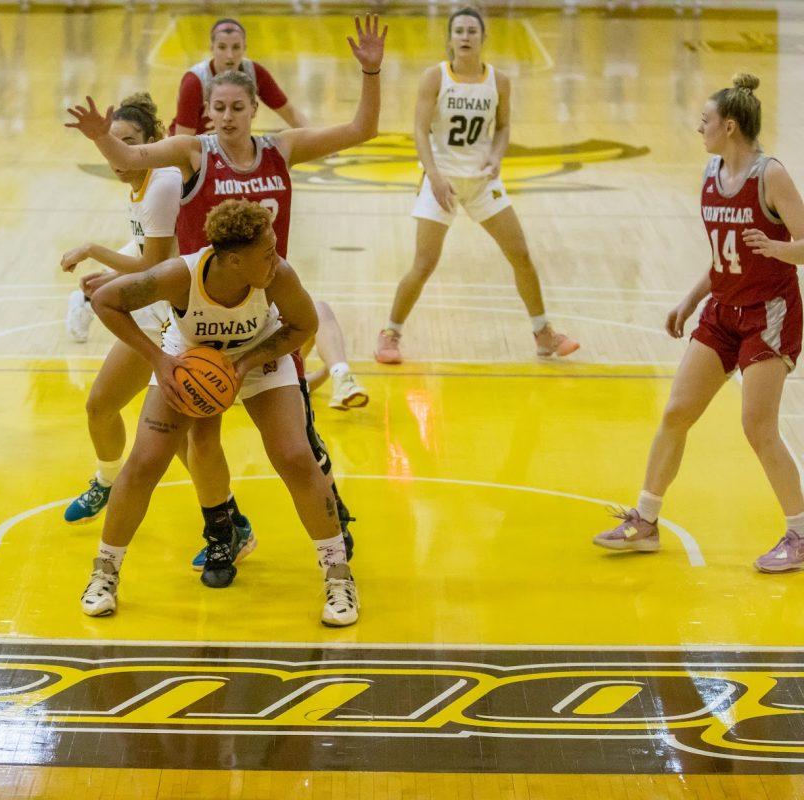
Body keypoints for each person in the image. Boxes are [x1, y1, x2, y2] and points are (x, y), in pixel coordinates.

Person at [67, 14, 385, 571]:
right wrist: (101, 136)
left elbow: (362, 129)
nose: (228, 117)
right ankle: (224, 530)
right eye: (219, 108)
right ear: (207, 110)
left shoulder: (281, 149)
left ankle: (332, 511)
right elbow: (133, 158)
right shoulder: (193, 151)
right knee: (201, 439)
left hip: (264, 308)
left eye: (239, 108)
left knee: (297, 443)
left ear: (254, 109)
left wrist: (371, 73)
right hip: (196, 312)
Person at [80, 200, 360, 627]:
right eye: (266, 251)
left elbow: (304, 326)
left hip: (258, 355)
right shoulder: (180, 275)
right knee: (146, 460)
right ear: (232, 260)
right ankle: (104, 573)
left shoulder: (277, 275)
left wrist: (246, 363)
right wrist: (157, 359)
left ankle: (338, 576)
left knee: (295, 457)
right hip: (189, 357)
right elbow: (104, 300)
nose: (276, 255)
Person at [593, 73, 804, 573]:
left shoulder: (769, 176)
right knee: (677, 411)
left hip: (768, 313)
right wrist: (689, 300)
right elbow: (722, 256)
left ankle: (799, 532)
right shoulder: (711, 172)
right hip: (721, 310)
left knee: (758, 426)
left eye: (705, 121)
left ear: (729, 126)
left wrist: (780, 249)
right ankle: (645, 522)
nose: (698, 127)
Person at [58, 93, 258, 568]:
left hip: (179, 314)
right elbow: (151, 247)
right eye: (112, 143)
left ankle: (232, 524)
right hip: (156, 300)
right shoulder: (144, 182)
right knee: (100, 406)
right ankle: (106, 479)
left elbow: (153, 262)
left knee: (183, 440)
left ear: (149, 144)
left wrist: (95, 252)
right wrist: (113, 278)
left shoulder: (163, 183)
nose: (117, 154)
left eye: (127, 144)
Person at [374, 6, 578, 364]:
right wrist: (434, 175)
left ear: (483, 38)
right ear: (450, 39)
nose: (465, 37)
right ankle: (390, 333)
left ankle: (543, 333)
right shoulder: (435, 77)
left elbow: (502, 127)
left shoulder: (499, 80)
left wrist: (497, 155)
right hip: (442, 182)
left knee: (522, 256)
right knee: (423, 265)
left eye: (472, 31)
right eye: (459, 31)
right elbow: (420, 131)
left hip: (483, 183)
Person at [172, 17, 308, 136]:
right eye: (222, 47)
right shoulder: (195, 81)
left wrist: (318, 142)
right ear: (212, 48)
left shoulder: (255, 72)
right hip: (191, 151)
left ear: (245, 48)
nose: (230, 55)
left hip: (226, 149)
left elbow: (290, 113)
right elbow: (182, 141)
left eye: (236, 47)